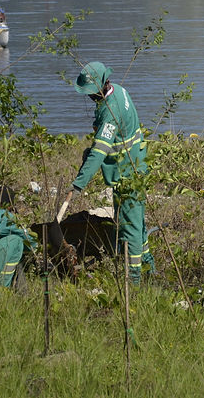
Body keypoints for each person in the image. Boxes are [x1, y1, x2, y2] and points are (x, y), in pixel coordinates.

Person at [70, 61, 154, 283]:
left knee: (130, 229)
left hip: (128, 175)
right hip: (133, 166)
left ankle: (134, 281)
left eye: (91, 93)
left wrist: (78, 184)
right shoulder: (119, 91)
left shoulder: (110, 111)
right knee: (137, 223)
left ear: (103, 85)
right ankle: (149, 268)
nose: (89, 97)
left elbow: (100, 150)